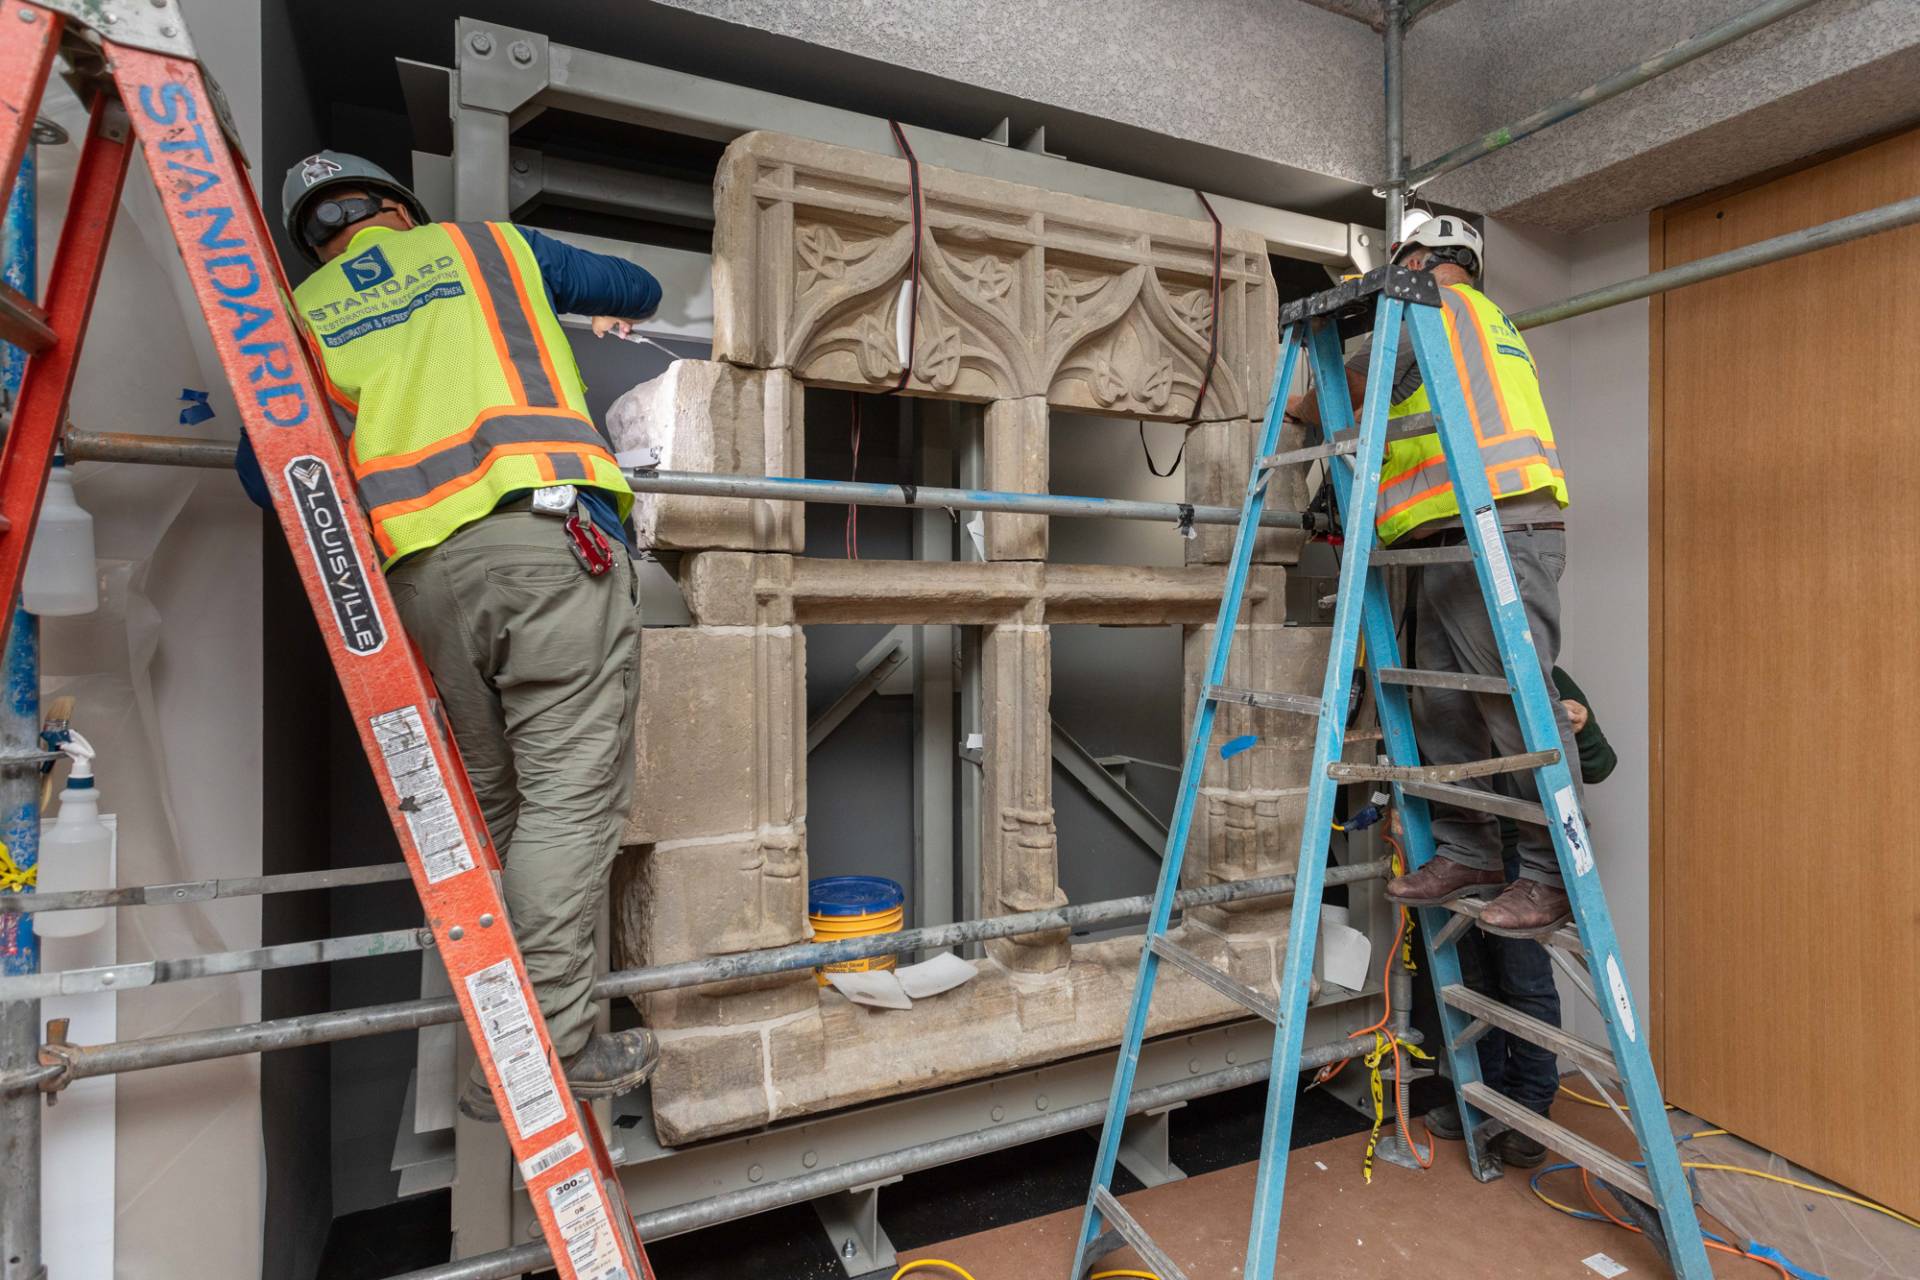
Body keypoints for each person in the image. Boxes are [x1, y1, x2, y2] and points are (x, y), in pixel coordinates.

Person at [240, 151, 665, 1122]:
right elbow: (634, 287)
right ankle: (542, 1060)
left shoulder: (300, 316)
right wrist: (587, 313)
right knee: (569, 802)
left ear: (316, 236)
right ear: (397, 205)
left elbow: (264, 474)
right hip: (546, 543)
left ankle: (516, 1033)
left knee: (503, 813)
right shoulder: (488, 248)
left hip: (418, 586)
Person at [1289, 215, 1579, 936]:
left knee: (1515, 706)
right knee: (1442, 706)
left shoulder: (1435, 309)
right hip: (1449, 535)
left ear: (1414, 260)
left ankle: (1553, 876)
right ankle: (1467, 849)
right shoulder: (1471, 320)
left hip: (1499, 529)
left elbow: (1339, 396)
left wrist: (1293, 403)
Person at [1421, 667, 1615, 1167]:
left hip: (1523, 864)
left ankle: (1530, 1108)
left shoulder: (1545, 675)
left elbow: (1599, 765)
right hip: (1465, 856)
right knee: (1475, 982)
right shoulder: (1447, 681)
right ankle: (1484, 1098)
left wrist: (1582, 727)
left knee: (1524, 984)